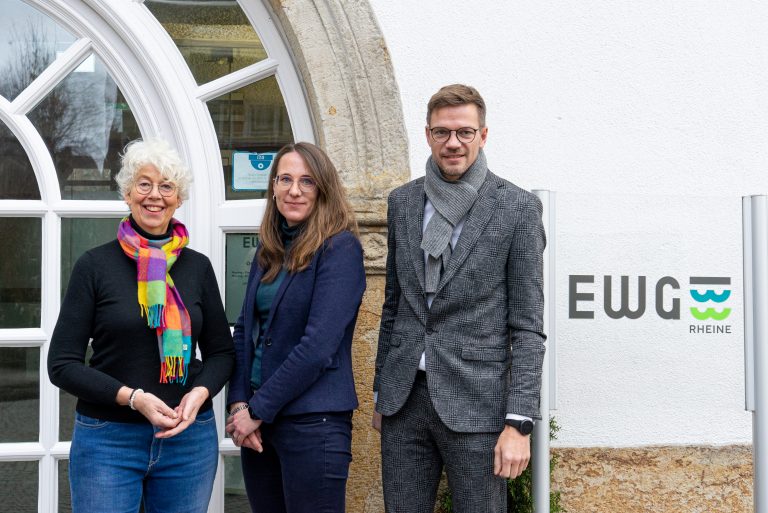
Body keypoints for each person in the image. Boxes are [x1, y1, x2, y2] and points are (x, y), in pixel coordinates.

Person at [372, 84, 547, 512]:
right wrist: (382, 391)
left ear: (483, 135)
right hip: (404, 401)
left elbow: (527, 327)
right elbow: (394, 304)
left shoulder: (516, 208)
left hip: (479, 406)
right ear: (428, 135)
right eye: (443, 132)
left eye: (465, 132)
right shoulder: (403, 202)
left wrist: (519, 423)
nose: (453, 143)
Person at [48, 138, 234, 513]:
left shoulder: (197, 267)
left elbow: (221, 352)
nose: (155, 195)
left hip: (188, 440)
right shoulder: (95, 266)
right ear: (128, 193)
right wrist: (133, 398)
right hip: (109, 440)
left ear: (179, 198)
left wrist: (199, 395)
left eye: (166, 186)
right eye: (144, 183)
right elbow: (62, 364)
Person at [226, 142, 366, 513]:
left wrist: (257, 409)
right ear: (272, 186)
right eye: (284, 179)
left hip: (313, 425)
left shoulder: (340, 249)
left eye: (306, 181)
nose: (294, 190)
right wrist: (240, 402)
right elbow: (244, 331)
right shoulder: (268, 250)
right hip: (260, 425)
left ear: (323, 189)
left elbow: (317, 346)